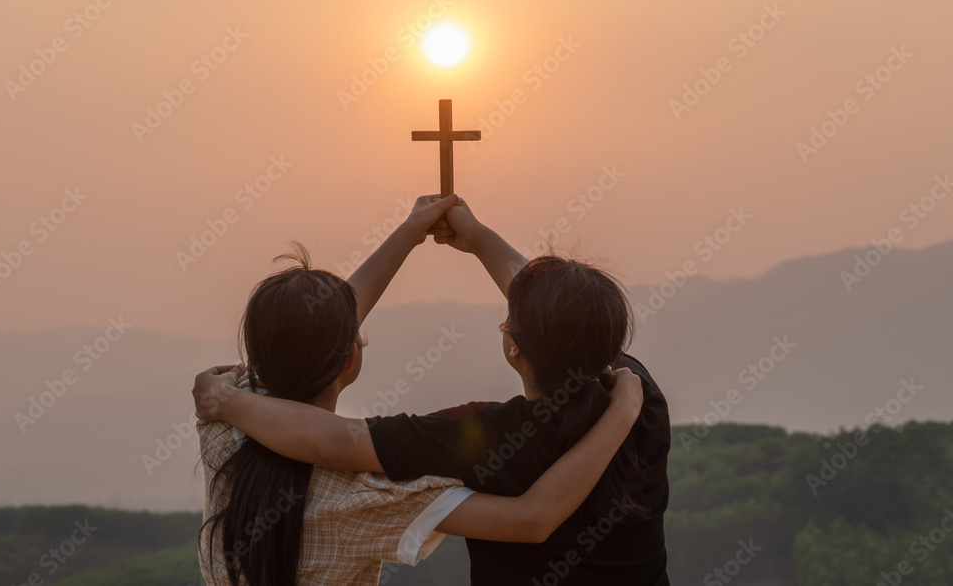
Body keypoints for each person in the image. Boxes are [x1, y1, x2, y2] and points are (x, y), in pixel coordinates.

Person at [195, 195, 671, 585]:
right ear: (351, 358)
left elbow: (324, 417)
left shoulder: (222, 428)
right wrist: (479, 237)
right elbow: (571, 320)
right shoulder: (633, 391)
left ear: (513, 345)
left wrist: (226, 400)